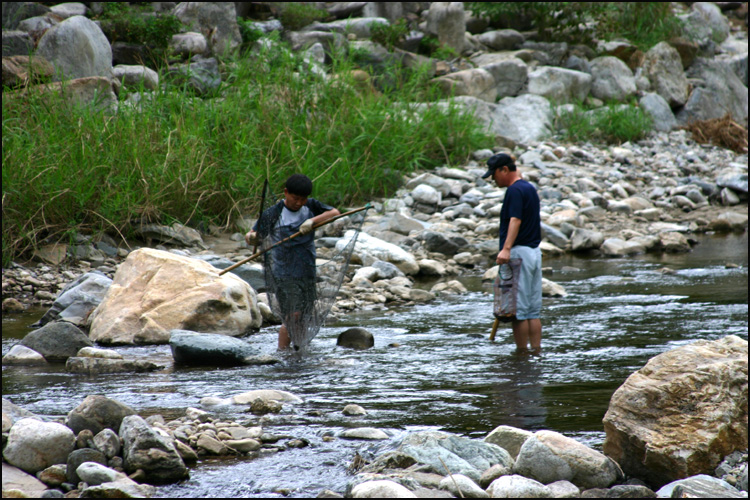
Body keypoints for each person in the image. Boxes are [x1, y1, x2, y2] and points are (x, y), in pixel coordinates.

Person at [245, 174, 340, 350]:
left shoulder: (310, 206)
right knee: (292, 316)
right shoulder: (273, 213)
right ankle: (283, 353)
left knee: (304, 315)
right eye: (295, 198)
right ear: (286, 192)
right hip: (284, 273)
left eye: (302, 199)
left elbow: (334, 213)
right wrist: (253, 238)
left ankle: (299, 350)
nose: (299, 203)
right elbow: (251, 235)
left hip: (307, 269)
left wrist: (312, 221)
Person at [482, 153, 543, 353]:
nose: (493, 179)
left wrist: (506, 248)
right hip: (534, 252)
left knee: (519, 312)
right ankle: (536, 352)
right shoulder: (528, 188)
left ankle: (522, 355)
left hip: (519, 254)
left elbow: (515, 220)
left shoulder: (514, 191)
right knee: (533, 311)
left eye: (494, 174)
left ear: (504, 170)